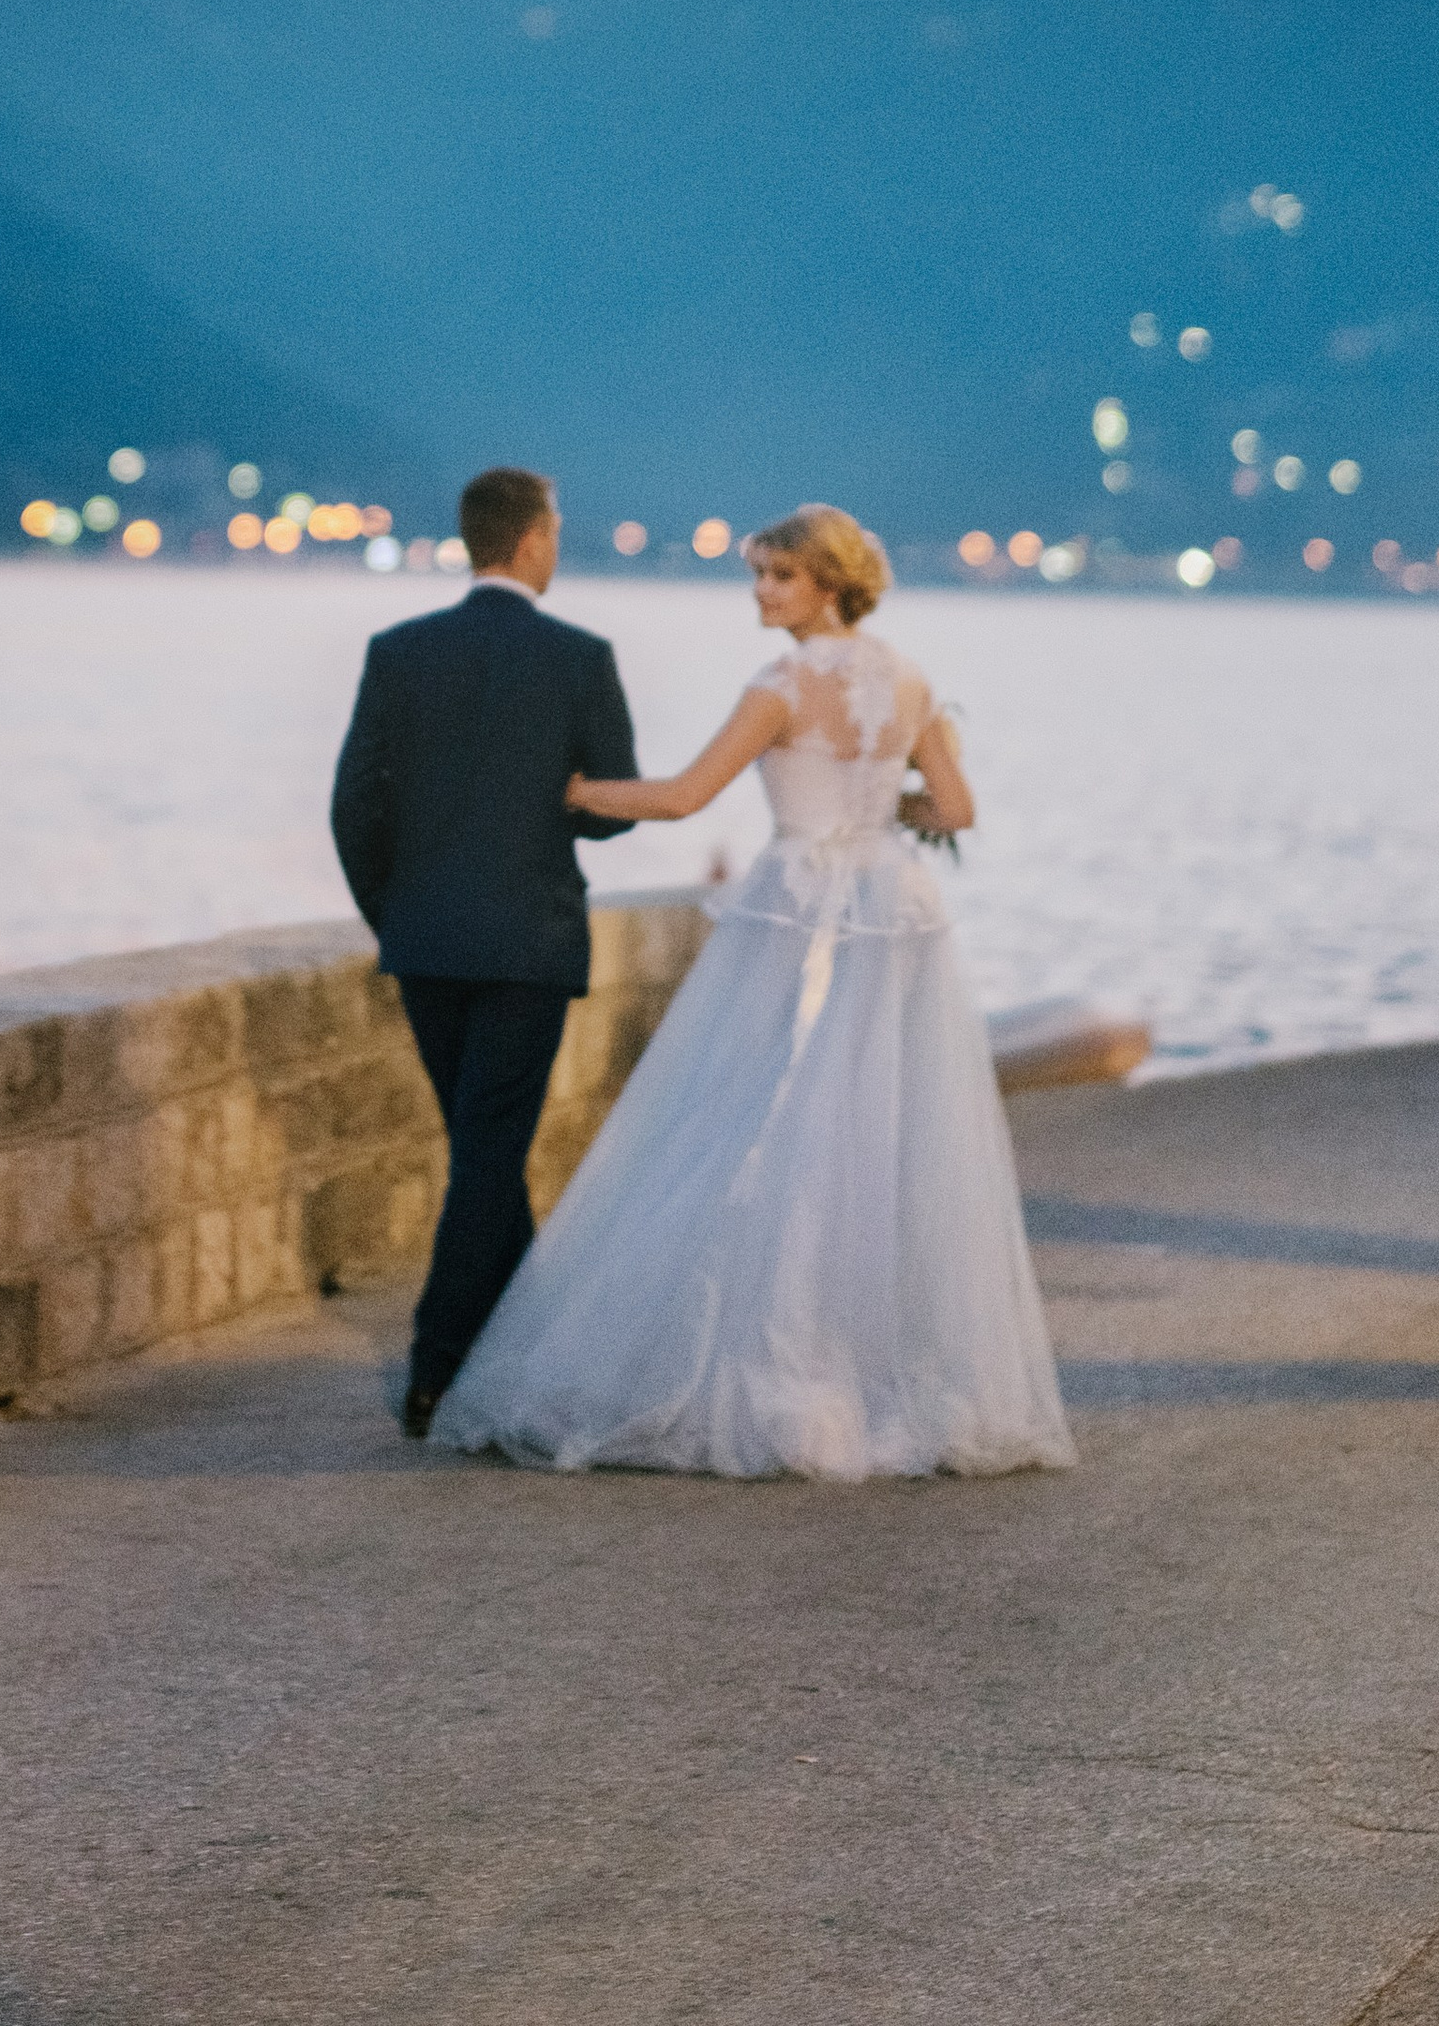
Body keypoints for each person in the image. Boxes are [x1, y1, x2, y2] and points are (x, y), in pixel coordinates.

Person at [431, 502, 1073, 1480]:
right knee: (867, 1122)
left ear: (826, 583)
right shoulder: (908, 678)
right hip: (888, 900)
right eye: (760, 574)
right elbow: (954, 808)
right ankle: (865, 1371)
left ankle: (769, 1364)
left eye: (778, 576)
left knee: (747, 1114)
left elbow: (684, 796)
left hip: (799, 906)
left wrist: (567, 792)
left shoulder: (779, 685)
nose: (760, 592)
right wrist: (872, 806)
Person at [331, 466, 640, 1437]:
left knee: (481, 1153)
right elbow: (612, 806)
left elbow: (352, 809)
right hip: (525, 944)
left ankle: (524, 1348)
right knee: (487, 1156)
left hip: (425, 943)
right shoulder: (579, 657)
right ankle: (437, 1367)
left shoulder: (398, 651)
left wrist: (397, 916)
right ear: (535, 539)